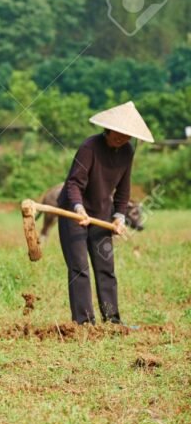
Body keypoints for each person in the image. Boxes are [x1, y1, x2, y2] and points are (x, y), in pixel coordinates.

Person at [57, 101, 154, 325]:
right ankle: (84, 323)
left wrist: (119, 217)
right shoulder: (89, 147)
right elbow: (73, 184)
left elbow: (123, 189)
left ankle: (112, 320)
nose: (122, 138)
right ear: (107, 130)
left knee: (106, 267)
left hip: (101, 214)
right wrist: (78, 209)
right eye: (118, 133)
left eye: (127, 135)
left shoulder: (127, 151)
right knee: (79, 267)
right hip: (74, 212)